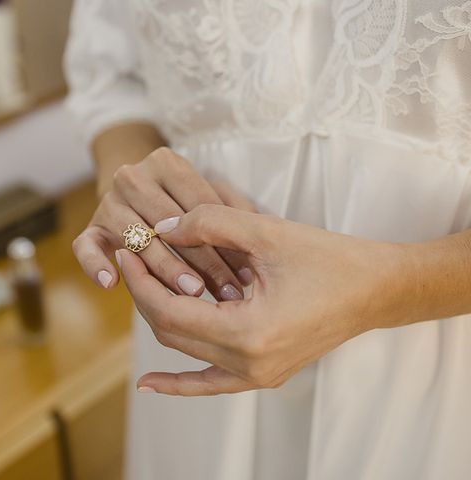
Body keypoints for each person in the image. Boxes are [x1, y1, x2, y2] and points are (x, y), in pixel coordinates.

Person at [64, 1, 471, 479]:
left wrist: (387, 289)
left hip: (437, 344)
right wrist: (134, 191)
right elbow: (113, 79)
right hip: (198, 324)